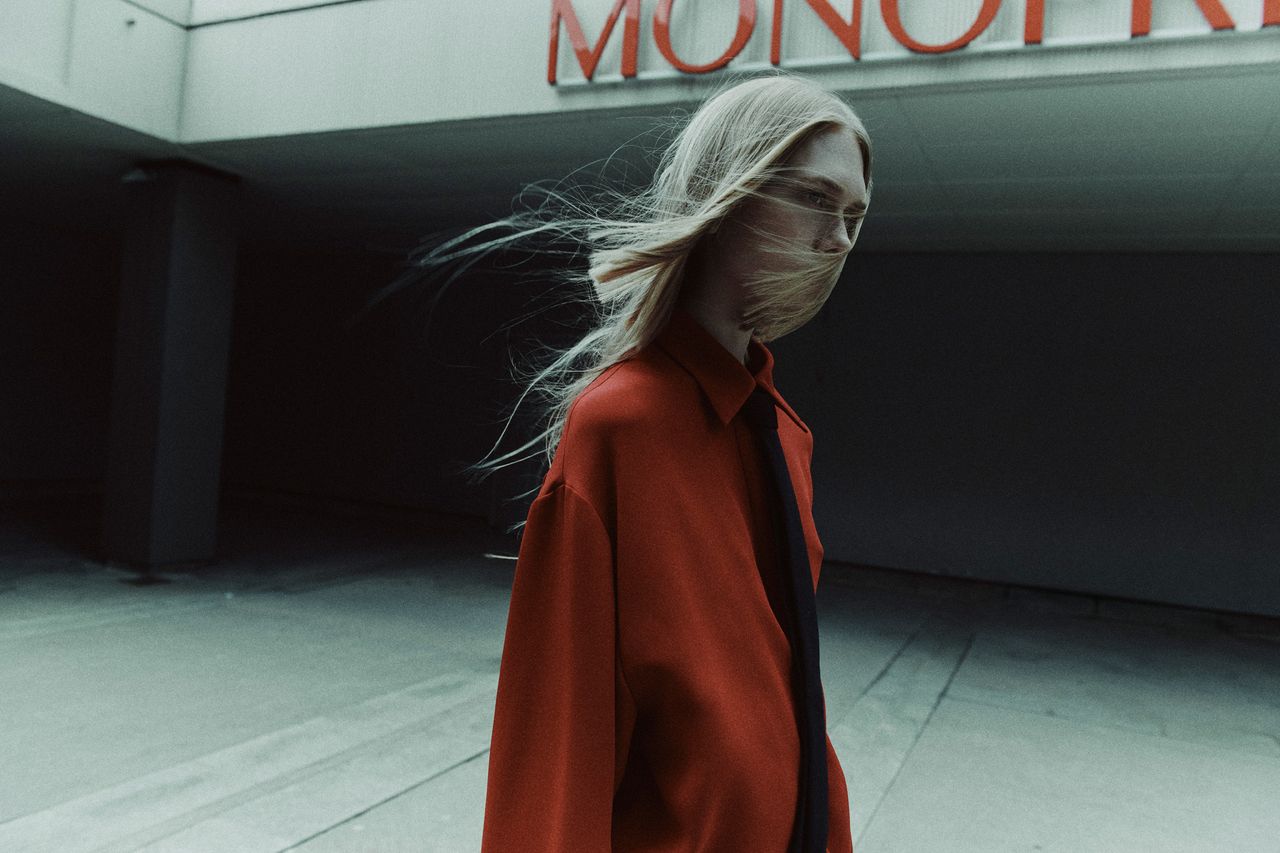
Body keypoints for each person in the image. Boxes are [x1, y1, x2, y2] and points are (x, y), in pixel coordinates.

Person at [441, 71, 872, 852]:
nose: (840, 237)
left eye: (854, 215)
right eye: (816, 198)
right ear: (728, 193)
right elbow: (558, 747)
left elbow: (783, 697)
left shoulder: (786, 435)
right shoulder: (619, 428)